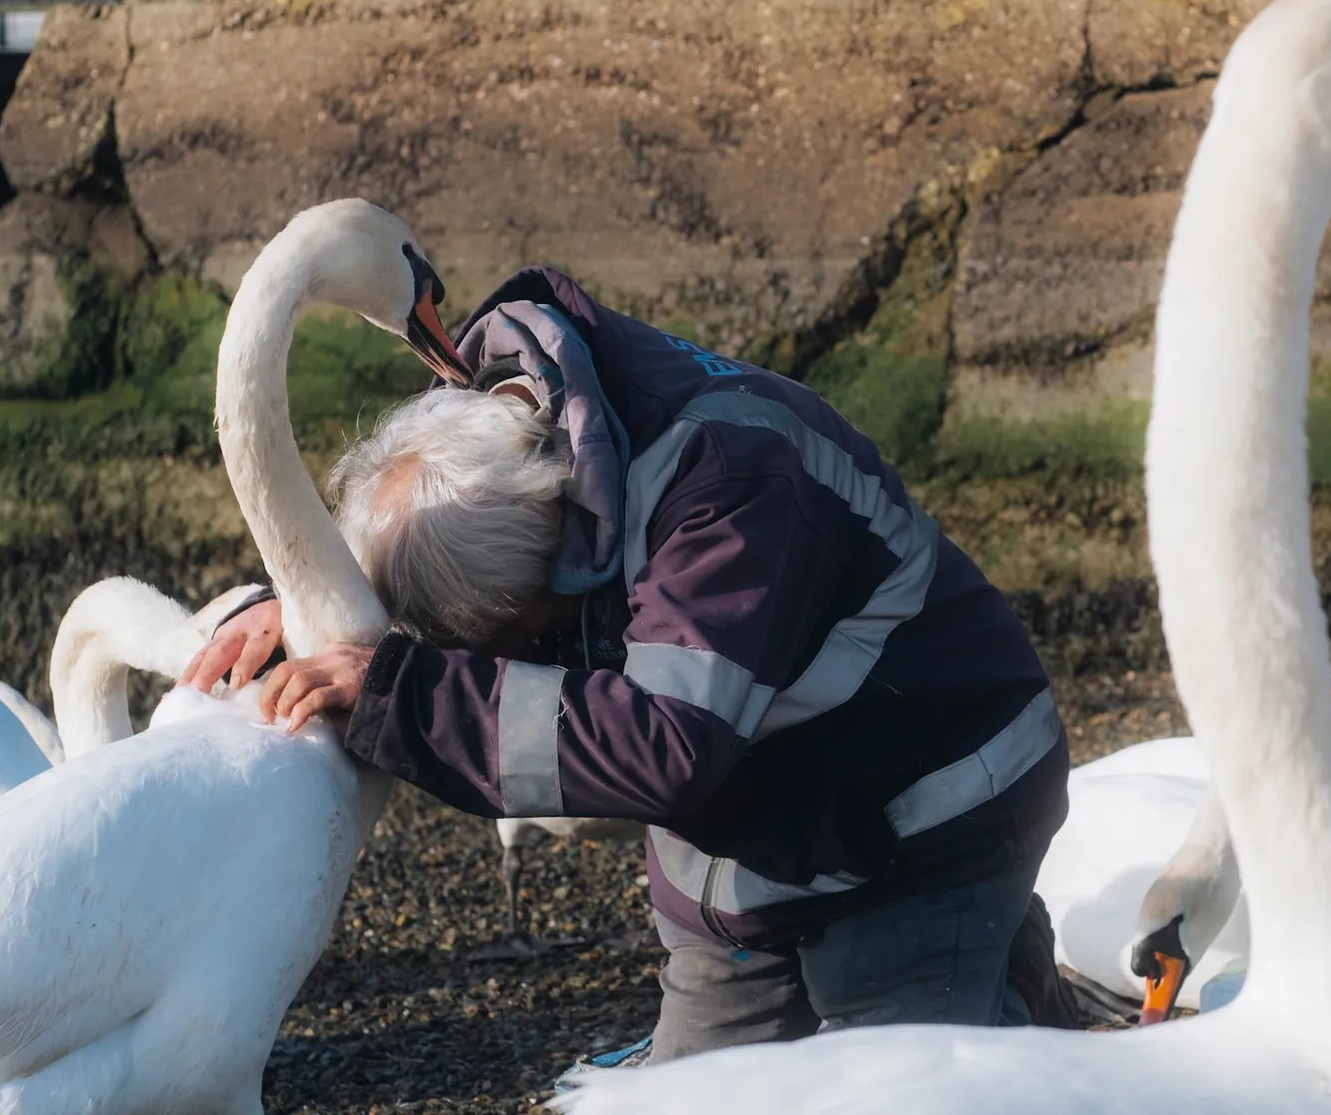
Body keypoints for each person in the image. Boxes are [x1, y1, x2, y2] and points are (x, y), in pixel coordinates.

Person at [186, 266, 1075, 1064]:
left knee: (900, 1083)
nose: (514, 664)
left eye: (518, 638)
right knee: (688, 1097)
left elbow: (667, 745)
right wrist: (303, 610)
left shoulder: (726, 497)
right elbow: (443, 556)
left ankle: (1011, 998)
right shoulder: (515, 433)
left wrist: (404, 697)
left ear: (556, 555)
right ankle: (1002, 974)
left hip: (925, 814)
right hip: (762, 851)